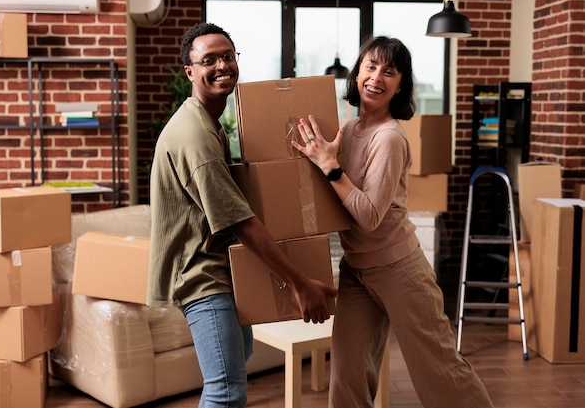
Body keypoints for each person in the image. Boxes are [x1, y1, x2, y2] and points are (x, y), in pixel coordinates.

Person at [291, 36, 494, 408]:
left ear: (401, 85)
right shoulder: (348, 130)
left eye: (390, 71)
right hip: (356, 270)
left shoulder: (389, 138)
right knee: (347, 377)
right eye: (370, 66)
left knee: (439, 371)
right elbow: (334, 195)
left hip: (399, 268)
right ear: (356, 75)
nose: (376, 77)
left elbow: (367, 216)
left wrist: (330, 168)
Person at [146, 22, 337, 408]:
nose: (222, 66)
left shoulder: (209, 123)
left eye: (228, 56)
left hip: (217, 269)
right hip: (201, 277)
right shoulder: (196, 137)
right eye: (209, 60)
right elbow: (239, 221)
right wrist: (299, 284)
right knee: (226, 391)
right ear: (190, 71)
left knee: (238, 358)